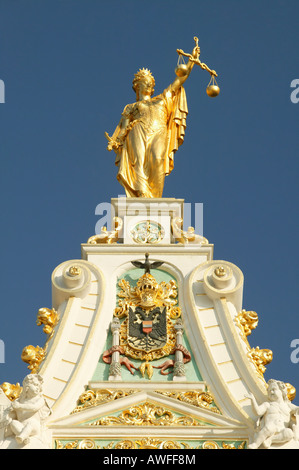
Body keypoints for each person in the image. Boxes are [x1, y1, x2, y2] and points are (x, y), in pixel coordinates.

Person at [105, 44, 200, 198]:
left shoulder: (163, 98)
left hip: (159, 131)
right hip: (138, 130)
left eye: (150, 81)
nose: (148, 84)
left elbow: (179, 79)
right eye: (145, 81)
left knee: (158, 160)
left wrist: (191, 62)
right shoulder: (132, 106)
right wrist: (117, 141)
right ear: (137, 86)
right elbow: (123, 127)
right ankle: (142, 194)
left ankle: (155, 198)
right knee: (139, 161)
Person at [246, 379, 299, 449]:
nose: (271, 392)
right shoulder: (268, 405)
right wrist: (253, 400)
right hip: (270, 427)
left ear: (282, 391)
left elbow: (297, 409)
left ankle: (271, 439)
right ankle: (256, 444)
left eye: (274, 389)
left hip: (281, 429)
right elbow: (258, 412)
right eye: (269, 391)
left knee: (289, 433)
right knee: (268, 428)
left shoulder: (288, 406)